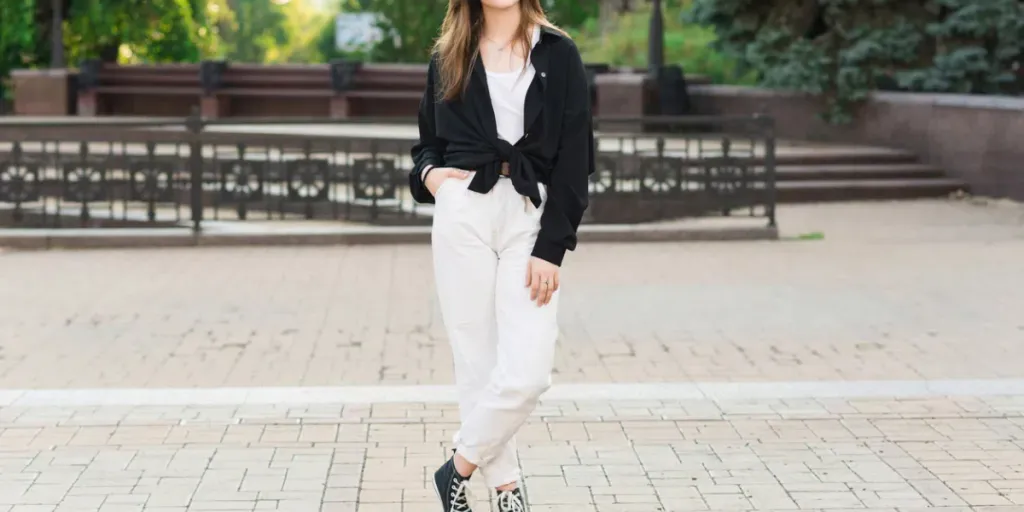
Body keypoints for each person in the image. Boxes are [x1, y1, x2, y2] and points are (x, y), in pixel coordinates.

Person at [408, 0, 594, 510]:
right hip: (463, 213)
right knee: (477, 362)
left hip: (528, 218)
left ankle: (457, 467)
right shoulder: (449, 54)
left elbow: (577, 160)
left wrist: (552, 247)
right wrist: (429, 179)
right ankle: (507, 489)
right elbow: (427, 145)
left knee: (529, 371)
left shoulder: (558, 54)